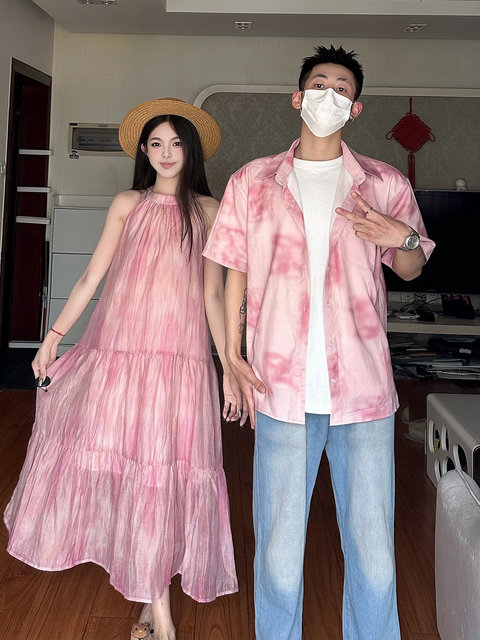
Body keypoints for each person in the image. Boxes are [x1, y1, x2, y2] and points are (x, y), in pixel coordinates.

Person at [203, 45, 435, 640]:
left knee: (375, 555)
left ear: (354, 109)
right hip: (280, 389)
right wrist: (231, 355)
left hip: (363, 392)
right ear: (298, 96)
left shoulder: (382, 182)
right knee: (279, 556)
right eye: (319, 84)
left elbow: (411, 269)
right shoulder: (252, 181)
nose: (329, 94)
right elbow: (233, 272)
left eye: (342, 88)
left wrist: (401, 235)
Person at [4, 98, 242, 640]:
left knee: (160, 473)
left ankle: (153, 608)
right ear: (143, 150)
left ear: (191, 150)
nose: (166, 153)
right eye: (155, 143)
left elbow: (213, 294)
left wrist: (229, 362)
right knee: (138, 469)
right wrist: (52, 338)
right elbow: (91, 278)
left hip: (179, 364)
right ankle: (161, 618)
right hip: (119, 356)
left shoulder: (210, 210)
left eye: (176, 143)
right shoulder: (127, 203)